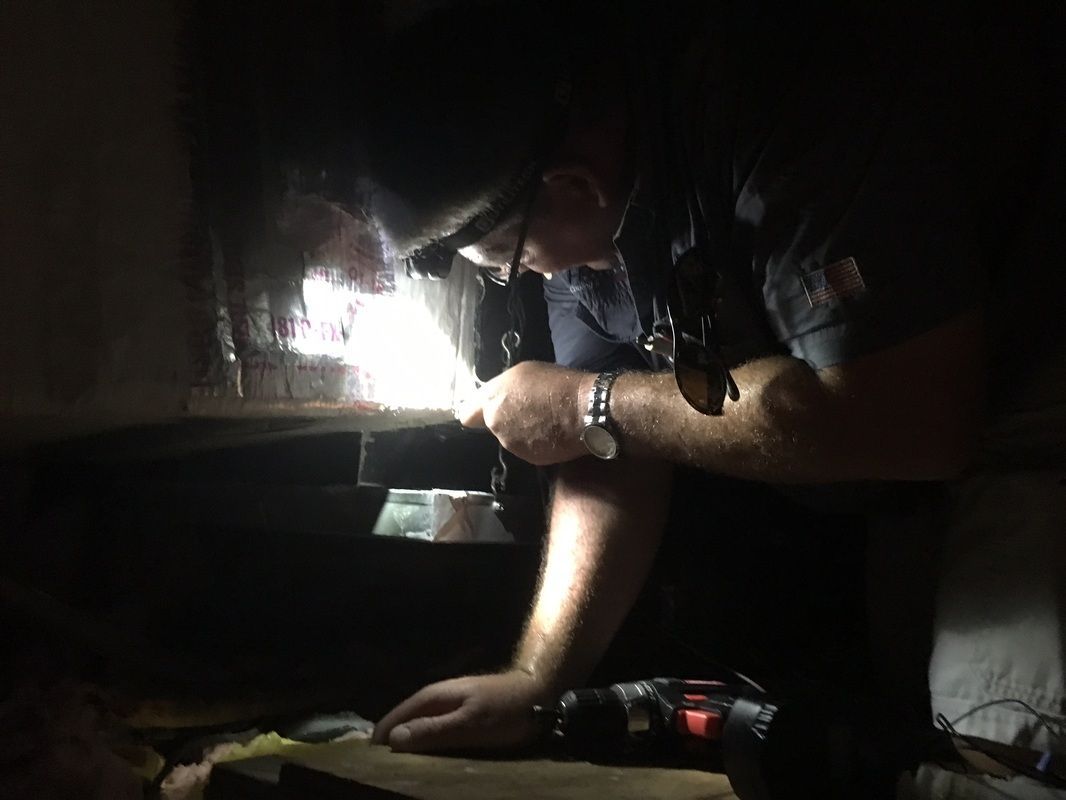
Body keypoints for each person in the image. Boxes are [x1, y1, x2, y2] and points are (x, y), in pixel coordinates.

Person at [360, 0, 1065, 769]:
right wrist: (535, 680)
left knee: (1007, 745)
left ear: (575, 185)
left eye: (506, 257)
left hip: (1033, 417)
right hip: (904, 490)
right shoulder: (587, 246)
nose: (518, 277)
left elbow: (912, 415)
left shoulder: (790, 111)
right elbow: (611, 454)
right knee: (916, 744)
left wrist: (585, 402)